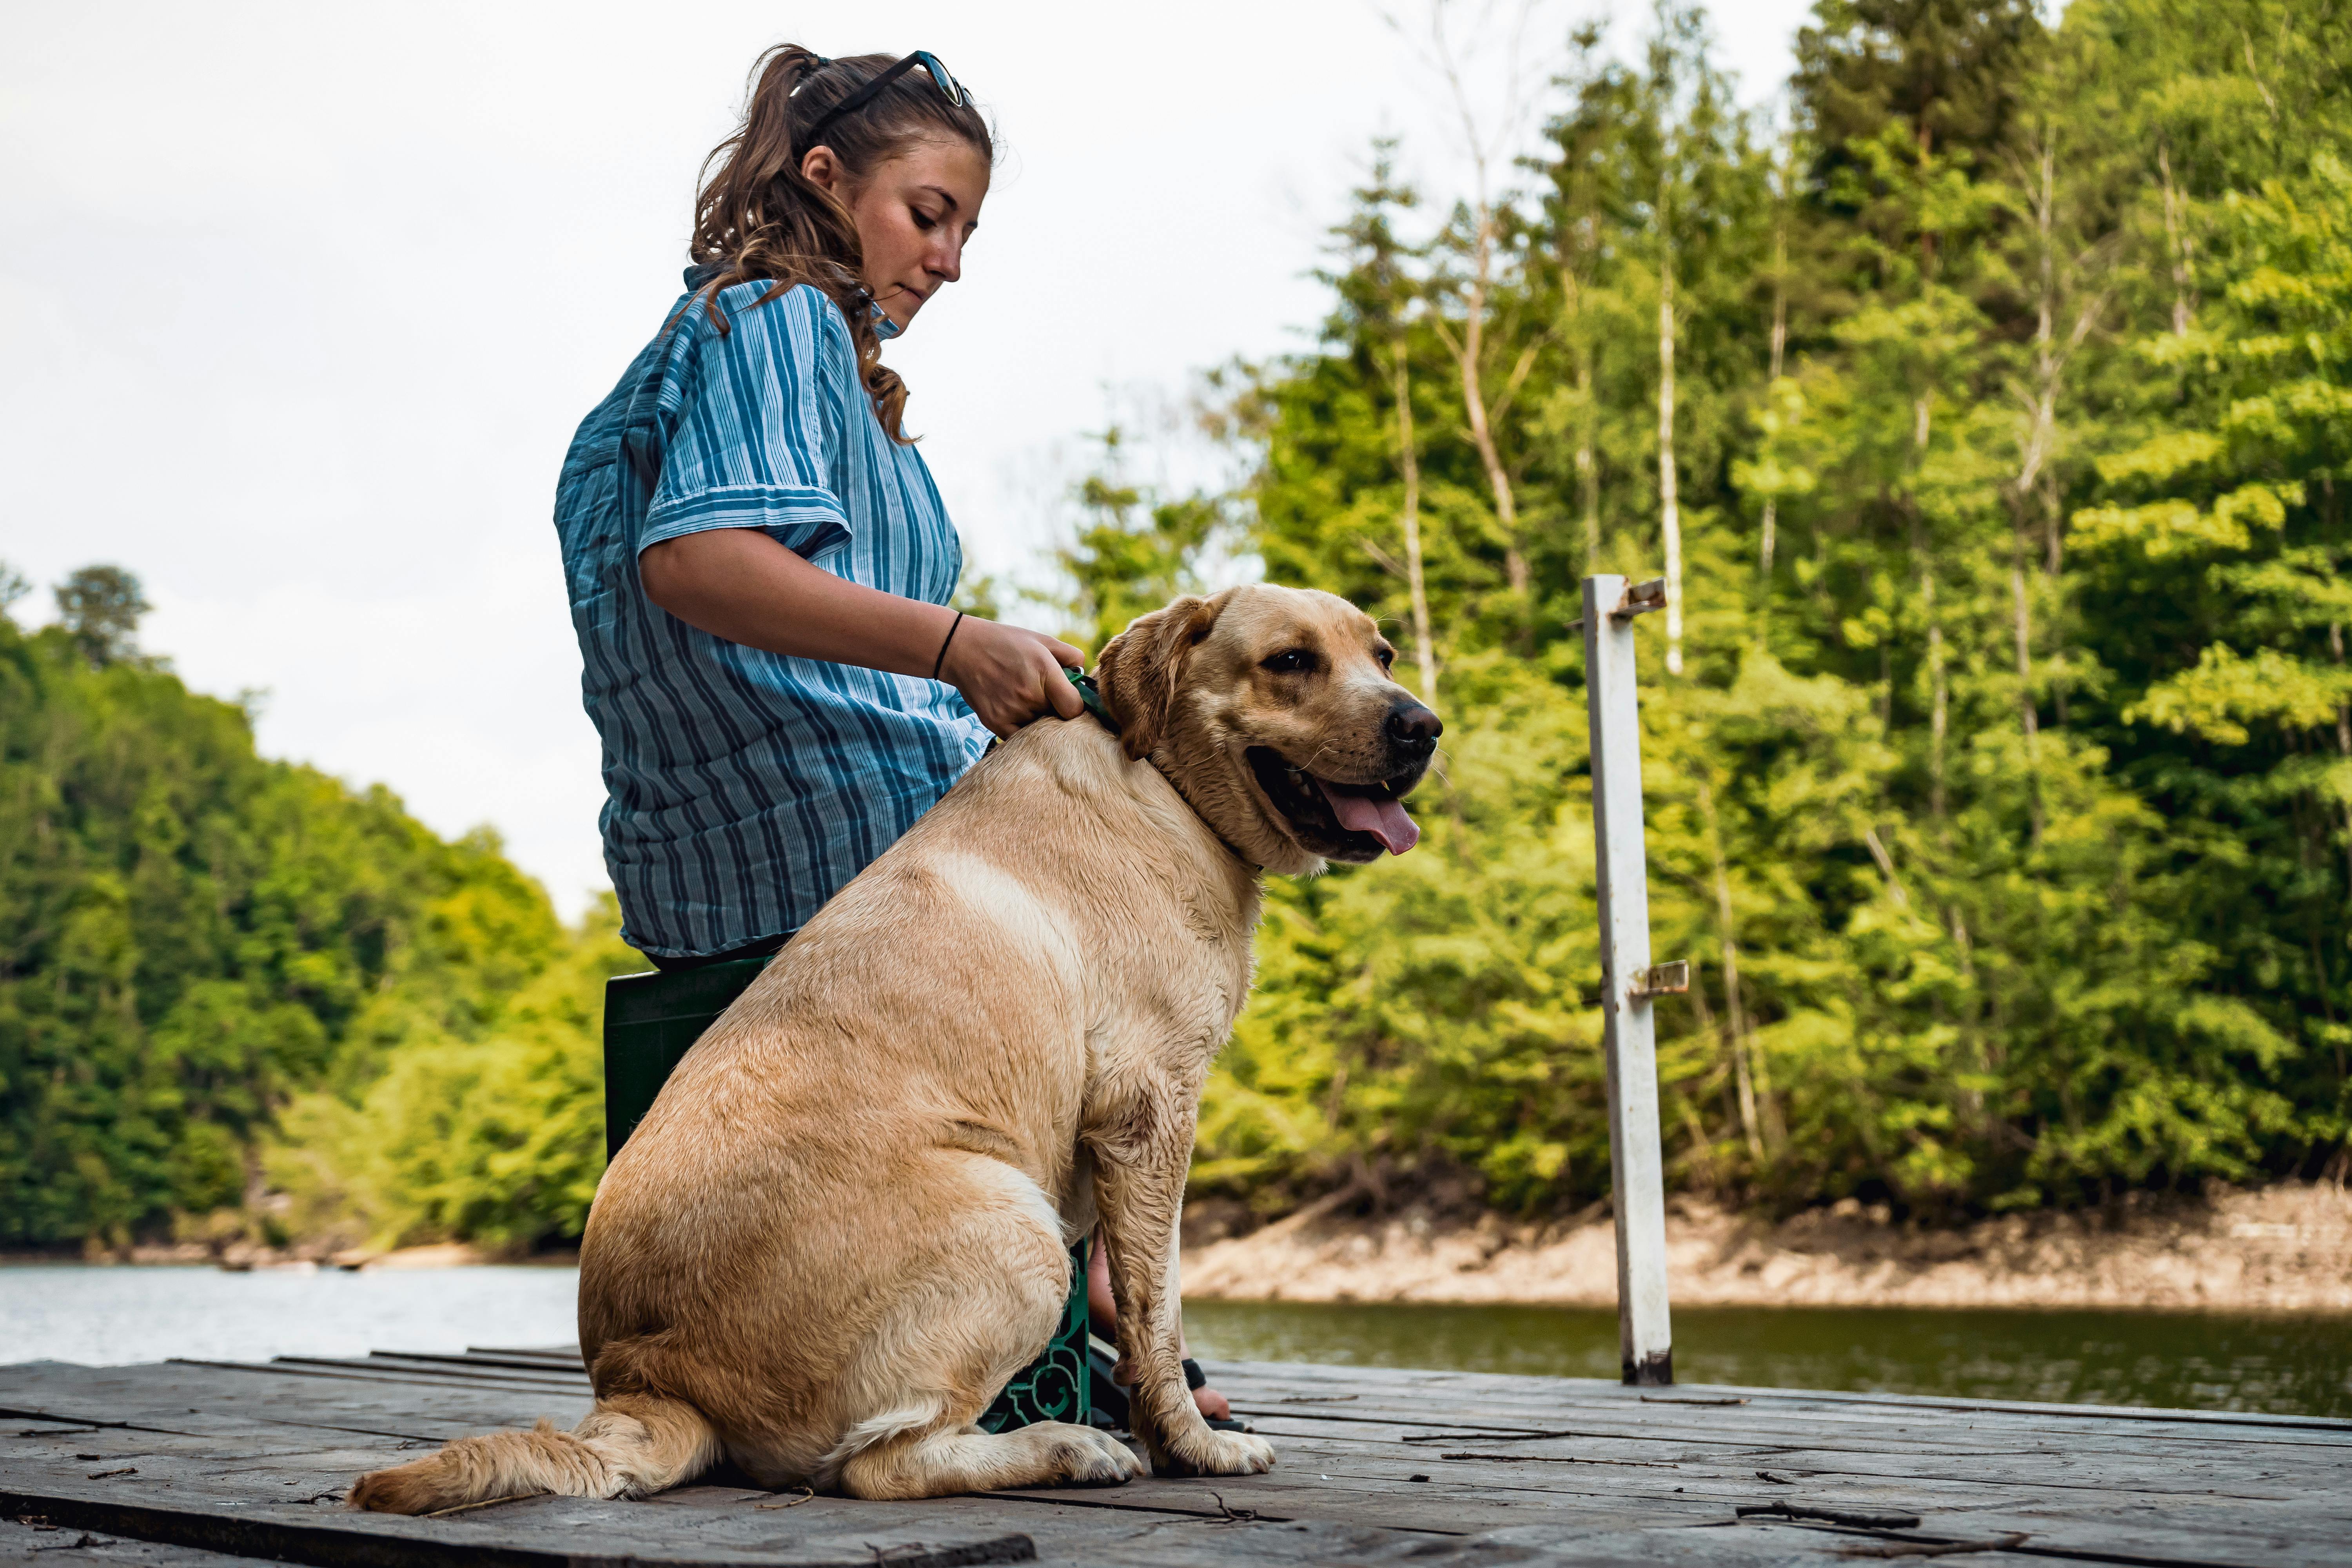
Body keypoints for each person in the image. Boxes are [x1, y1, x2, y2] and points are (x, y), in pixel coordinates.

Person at [553, 45, 1227, 1425]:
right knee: (1180, 871)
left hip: (759, 864)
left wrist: (979, 656)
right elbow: (699, 564)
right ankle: (1102, 1311)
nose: (954, 258)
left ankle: (1090, 1294)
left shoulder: (769, 365)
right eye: (931, 213)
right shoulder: (776, 323)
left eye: (969, 228)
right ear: (826, 180)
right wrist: (954, 645)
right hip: (846, 864)